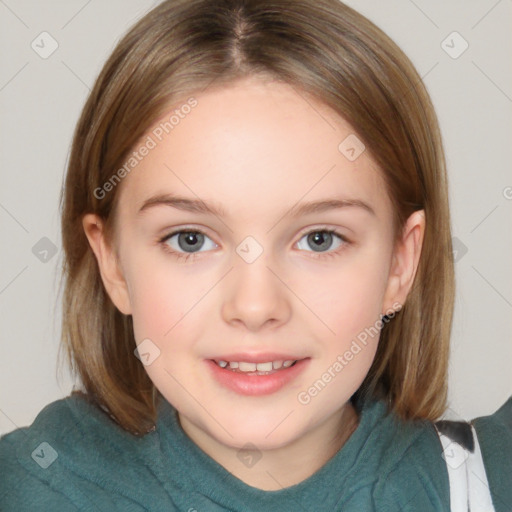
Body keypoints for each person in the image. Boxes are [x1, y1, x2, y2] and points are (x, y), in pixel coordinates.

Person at [1, 0, 510, 510]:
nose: (255, 306)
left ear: (401, 262)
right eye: (190, 239)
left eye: (319, 239)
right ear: (111, 262)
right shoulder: (28, 486)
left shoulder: (485, 480)